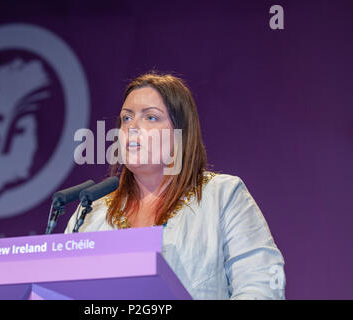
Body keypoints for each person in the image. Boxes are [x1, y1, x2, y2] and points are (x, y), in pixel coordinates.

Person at [65, 72, 286, 299]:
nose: (132, 127)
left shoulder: (223, 195)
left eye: (150, 117)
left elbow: (262, 286)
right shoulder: (90, 213)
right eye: (126, 118)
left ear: (180, 133)